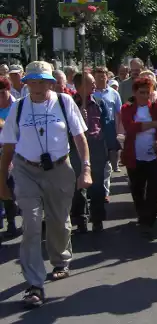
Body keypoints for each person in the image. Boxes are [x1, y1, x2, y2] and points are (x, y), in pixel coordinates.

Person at [0, 61, 92, 309]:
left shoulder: (64, 102)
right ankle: (34, 284)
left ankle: (60, 259)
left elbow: (79, 137)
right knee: (30, 223)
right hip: (25, 170)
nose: (38, 86)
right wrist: (1, 182)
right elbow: (8, 147)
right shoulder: (18, 109)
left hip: (59, 170)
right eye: (33, 81)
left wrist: (86, 168)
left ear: (51, 82)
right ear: (25, 83)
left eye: (43, 81)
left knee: (58, 221)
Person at [121, 77, 157, 238]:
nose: (144, 96)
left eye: (147, 93)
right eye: (141, 92)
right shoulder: (127, 108)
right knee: (137, 189)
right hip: (134, 157)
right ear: (135, 93)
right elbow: (130, 127)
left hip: (154, 157)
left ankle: (149, 220)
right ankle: (142, 215)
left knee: (154, 190)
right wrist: (154, 124)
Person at [70, 73, 111, 233]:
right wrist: (79, 115)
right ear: (80, 86)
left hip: (97, 147)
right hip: (77, 149)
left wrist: (111, 149)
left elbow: (107, 126)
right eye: (91, 83)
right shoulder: (70, 103)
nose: (94, 85)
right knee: (78, 187)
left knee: (98, 187)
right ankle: (80, 219)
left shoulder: (99, 103)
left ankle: (98, 219)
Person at [93, 67, 122, 174]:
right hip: (95, 125)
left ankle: (113, 166)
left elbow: (119, 112)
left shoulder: (113, 93)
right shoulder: (91, 92)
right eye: (98, 77)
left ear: (107, 77)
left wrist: (119, 130)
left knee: (112, 148)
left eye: (103, 77)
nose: (101, 79)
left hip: (110, 124)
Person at [0, 77, 17, 237]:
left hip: (15, 152)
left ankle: (12, 219)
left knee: (11, 186)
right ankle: (6, 221)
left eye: (2, 93)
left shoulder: (17, 106)